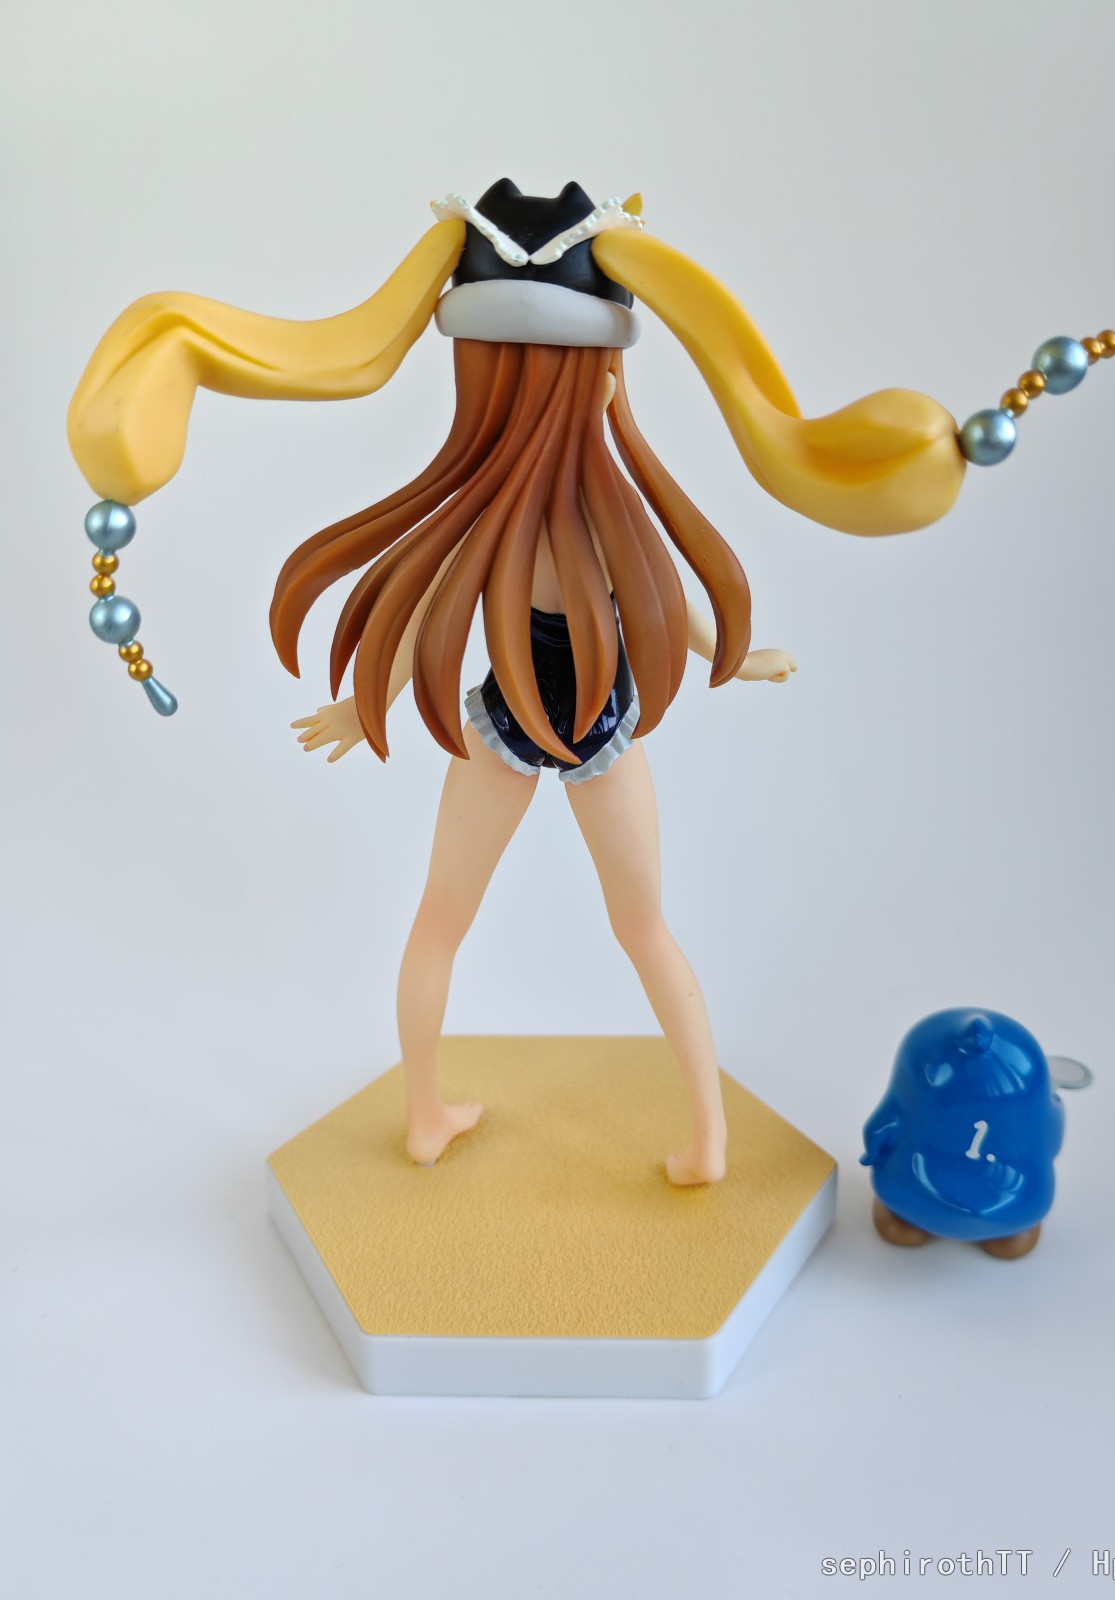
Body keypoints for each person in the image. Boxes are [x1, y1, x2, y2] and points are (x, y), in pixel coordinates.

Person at [68, 180, 966, 1183]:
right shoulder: (606, 516)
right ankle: (707, 1139)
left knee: (440, 924)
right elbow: (657, 602)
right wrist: (733, 653)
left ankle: (426, 1116)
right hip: (600, 734)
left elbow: (433, 608)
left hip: (502, 730)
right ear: (605, 380)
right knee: (644, 931)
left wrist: (362, 706)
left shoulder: (489, 517)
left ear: (478, 378)